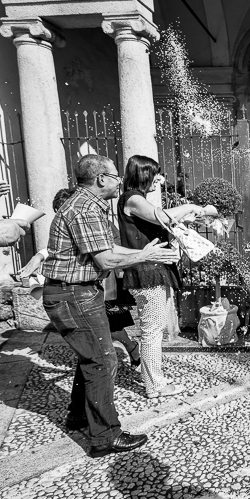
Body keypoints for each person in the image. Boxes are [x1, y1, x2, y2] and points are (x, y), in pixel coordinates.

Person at [41, 154, 177, 458]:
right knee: (104, 360)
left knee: (90, 355)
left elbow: (109, 248)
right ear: (101, 178)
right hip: (73, 294)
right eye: (115, 175)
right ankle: (104, 436)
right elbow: (105, 260)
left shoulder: (88, 205)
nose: (119, 180)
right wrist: (143, 257)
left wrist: (145, 253)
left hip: (73, 291)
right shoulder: (85, 208)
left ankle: (78, 415)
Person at [16, 188, 142, 368]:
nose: (63, 214)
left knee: (111, 325)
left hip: (104, 282)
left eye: (64, 208)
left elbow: (110, 250)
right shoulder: (68, 223)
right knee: (97, 328)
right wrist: (39, 257)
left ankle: (124, 351)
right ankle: (103, 359)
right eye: (59, 211)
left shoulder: (96, 221)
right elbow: (59, 249)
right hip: (82, 285)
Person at [117, 155, 205, 399]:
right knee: (152, 331)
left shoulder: (137, 199)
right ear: (144, 174)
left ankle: (155, 379)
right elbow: (162, 216)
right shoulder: (132, 199)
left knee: (154, 330)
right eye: (155, 174)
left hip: (154, 272)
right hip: (147, 274)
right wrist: (189, 207)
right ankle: (154, 386)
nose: (160, 179)